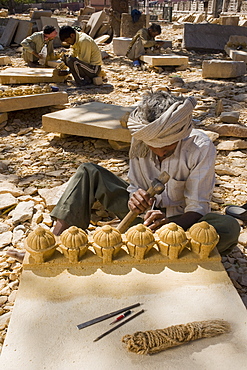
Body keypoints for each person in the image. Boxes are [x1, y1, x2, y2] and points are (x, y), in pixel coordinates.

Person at [50, 90, 240, 256]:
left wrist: (167, 225)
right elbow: (135, 185)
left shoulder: (200, 147)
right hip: (141, 219)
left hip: (180, 224)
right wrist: (135, 198)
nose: (159, 152)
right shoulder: (141, 139)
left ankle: (167, 248)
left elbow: (197, 208)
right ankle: (55, 242)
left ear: (180, 135)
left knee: (228, 227)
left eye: (167, 147)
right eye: (153, 147)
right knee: (88, 172)